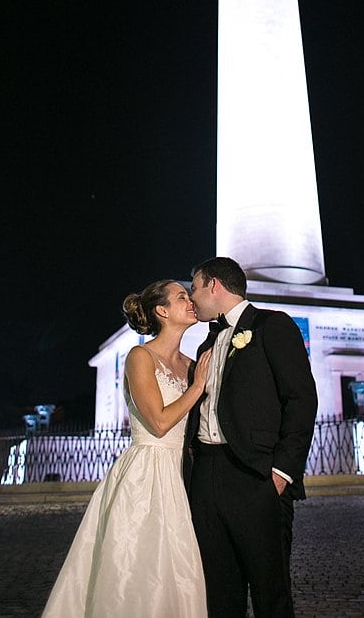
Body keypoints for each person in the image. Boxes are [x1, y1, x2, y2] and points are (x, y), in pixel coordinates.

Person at [42, 279, 212, 618]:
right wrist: (196, 388)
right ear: (162, 311)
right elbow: (159, 423)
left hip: (184, 473)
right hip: (147, 472)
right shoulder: (139, 356)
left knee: (181, 567)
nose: (191, 300)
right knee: (138, 566)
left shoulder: (191, 363)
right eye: (182, 297)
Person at [187, 257, 318, 618]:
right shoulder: (205, 346)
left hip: (256, 476)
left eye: (194, 287)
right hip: (208, 476)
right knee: (219, 592)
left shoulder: (272, 326)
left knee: (270, 592)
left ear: (214, 285)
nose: (191, 296)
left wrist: (281, 472)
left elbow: (301, 399)